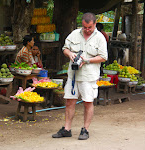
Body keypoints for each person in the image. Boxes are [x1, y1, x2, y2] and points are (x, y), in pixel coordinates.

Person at [52, 12, 108, 140]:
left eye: (90, 27)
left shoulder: (100, 38)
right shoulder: (74, 34)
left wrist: (87, 60)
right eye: (85, 27)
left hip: (89, 76)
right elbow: (65, 48)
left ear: (95, 24)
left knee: (88, 102)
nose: (87, 30)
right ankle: (67, 129)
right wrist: (70, 54)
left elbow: (104, 57)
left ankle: (85, 129)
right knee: (69, 102)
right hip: (73, 75)